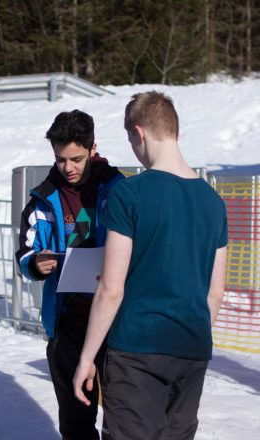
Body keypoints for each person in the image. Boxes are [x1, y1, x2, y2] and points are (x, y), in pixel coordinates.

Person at [73, 92, 228, 440]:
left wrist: (87, 358)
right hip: (191, 347)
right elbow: (215, 292)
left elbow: (111, 288)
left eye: (131, 140)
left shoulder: (129, 194)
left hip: (136, 349)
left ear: (139, 134)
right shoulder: (214, 203)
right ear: (175, 132)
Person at [16, 110, 124, 440]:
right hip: (68, 324)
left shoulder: (121, 190)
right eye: (61, 159)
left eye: (76, 158)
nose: (68, 167)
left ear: (94, 149)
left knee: (124, 422)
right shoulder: (42, 198)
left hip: (117, 325)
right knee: (76, 423)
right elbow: (24, 252)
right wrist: (35, 264)